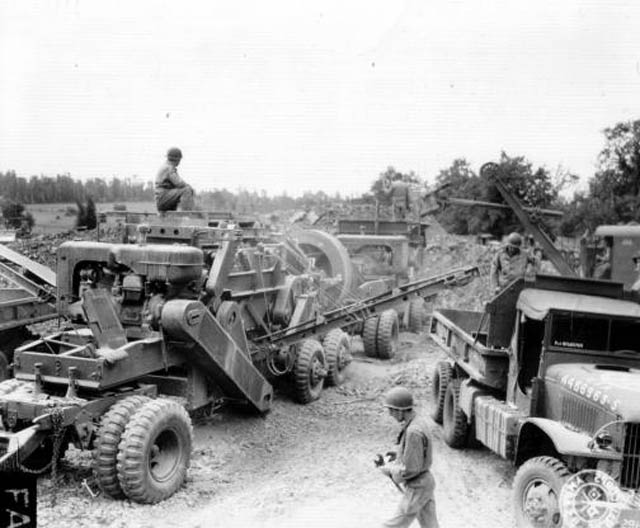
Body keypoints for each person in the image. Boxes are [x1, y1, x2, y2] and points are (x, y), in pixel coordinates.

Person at [379, 386, 439, 528]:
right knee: (430, 525)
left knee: (393, 525)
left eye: (391, 410)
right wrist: (394, 459)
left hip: (418, 486)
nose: (390, 414)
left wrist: (390, 470)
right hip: (425, 483)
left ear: (400, 410)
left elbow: (411, 469)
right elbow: (412, 455)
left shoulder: (413, 432)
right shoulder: (417, 422)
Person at [155, 147, 195, 212]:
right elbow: (179, 183)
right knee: (187, 190)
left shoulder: (166, 166)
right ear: (177, 159)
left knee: (182, 191)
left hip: (162, 200)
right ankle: (185, 214)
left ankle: (177, 213)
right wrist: (189, 187)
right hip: (163, 199)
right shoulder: (168, 167)